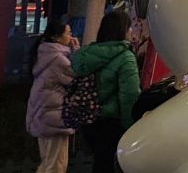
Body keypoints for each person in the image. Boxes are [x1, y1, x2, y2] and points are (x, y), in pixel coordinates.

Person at [70, 9, 141, 173]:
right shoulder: (125, 57)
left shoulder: (90, 53)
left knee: (100, 163)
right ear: (121, 31)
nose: (131, 31)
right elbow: (129, 97)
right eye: (129, 28)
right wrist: (132, 127)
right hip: (113, 124)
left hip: (90, 120)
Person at [26, 17, 77, 173]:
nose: (71, 37)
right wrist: (77, 50)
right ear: (57, 37)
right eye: (68, 33)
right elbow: (76, 77)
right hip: (54, 117)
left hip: (42, 114)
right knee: (56, 166)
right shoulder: (58, 59)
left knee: (48, 162)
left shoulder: (44, 53)